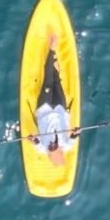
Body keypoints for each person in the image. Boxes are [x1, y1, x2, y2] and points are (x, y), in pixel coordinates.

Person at [28, 33, 80, 166]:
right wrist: (76, 131)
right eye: (54, 148)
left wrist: (32, 138)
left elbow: (35, 142)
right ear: (60, 150)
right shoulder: (67, 145)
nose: (51, 147)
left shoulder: (43, 148)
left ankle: (52, 50)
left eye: (50, 150)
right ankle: (54, 61)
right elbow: (75, 136)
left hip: (44, 109)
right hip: (60, 108)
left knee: (48, 80)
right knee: (57, 81)